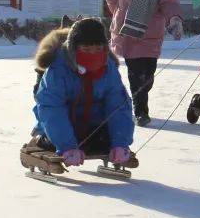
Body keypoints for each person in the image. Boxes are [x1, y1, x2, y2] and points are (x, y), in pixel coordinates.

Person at [21, 18, 136, 169]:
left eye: (98, 49)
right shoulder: (58, 70)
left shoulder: (108, 70)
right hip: (61, 126)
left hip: (93, 126)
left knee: (103, 142)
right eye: (86, 50)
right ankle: (40, 140)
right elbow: (51, 108)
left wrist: (120, 142)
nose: (93, 54)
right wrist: (67, 145)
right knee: (52, 141)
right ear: (74, 49)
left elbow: (119, 106)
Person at [104, 0, 184, 126]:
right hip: (128, 32)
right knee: (135, 74)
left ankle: (140, 101)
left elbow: (169, 1)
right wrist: (118, 12)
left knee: (147, 76)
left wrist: (174, 19)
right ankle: (141, 111)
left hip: (151, 32)